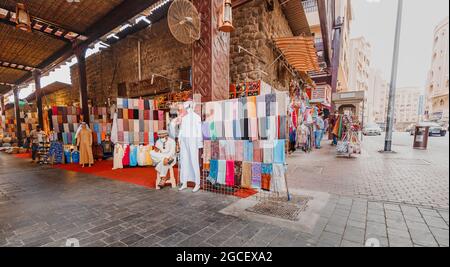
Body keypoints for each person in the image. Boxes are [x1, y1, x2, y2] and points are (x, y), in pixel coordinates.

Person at [178, 101, 203, 193]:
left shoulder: (197, 117)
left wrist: (199, 143)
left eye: (187, 107)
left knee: (194, 160)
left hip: (193, 140)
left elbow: (199, 131)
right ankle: (184, 182)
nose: (186, 109)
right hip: (184, 140)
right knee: (184, 160)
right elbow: (181, 129)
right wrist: (179, 140)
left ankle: (197, 183)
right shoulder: (184, 118)